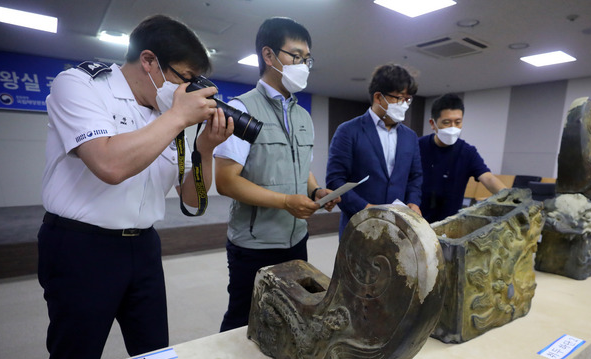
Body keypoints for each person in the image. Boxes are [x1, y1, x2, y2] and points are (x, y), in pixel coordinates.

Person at [39, 14, 234, 359]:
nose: (189, 90)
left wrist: (205, 148)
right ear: (149, 61)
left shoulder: (170, 115)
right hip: (81, 247)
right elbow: (109, 165)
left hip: (143, 246)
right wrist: (178, 118)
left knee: (154, 357)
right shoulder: (80, 84)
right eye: (185, 78)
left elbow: (193, 199)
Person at [213, 17, 338, 332]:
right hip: (255, 243)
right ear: (268, 56)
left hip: (296, 236)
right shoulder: (242, 110)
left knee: (291, 314)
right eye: (296, 56)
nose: (304, 65)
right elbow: (226, 182)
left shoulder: (303, 115)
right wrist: (285, 201)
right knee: (244, 320)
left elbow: (301, 166)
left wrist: (315, 191)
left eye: (307, 59)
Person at [326, 63, 423, 237]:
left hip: (398, 228)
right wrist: (366, 209)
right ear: (379, 97)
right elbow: (335, 181)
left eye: (408, 99)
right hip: (359, 226)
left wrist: (413, 203)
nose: (405, 105)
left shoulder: (410, 137)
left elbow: (415, 177)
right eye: (399, 98)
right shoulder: (348, 131)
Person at [419, 93, 506, 223]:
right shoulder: (418, 146)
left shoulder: (467, 152)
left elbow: (488, 178)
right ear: (433, 123)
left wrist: (511, 198)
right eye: (447, 122)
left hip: (450, 223)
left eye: (458, 122)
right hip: (418, 219)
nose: (453, 128)